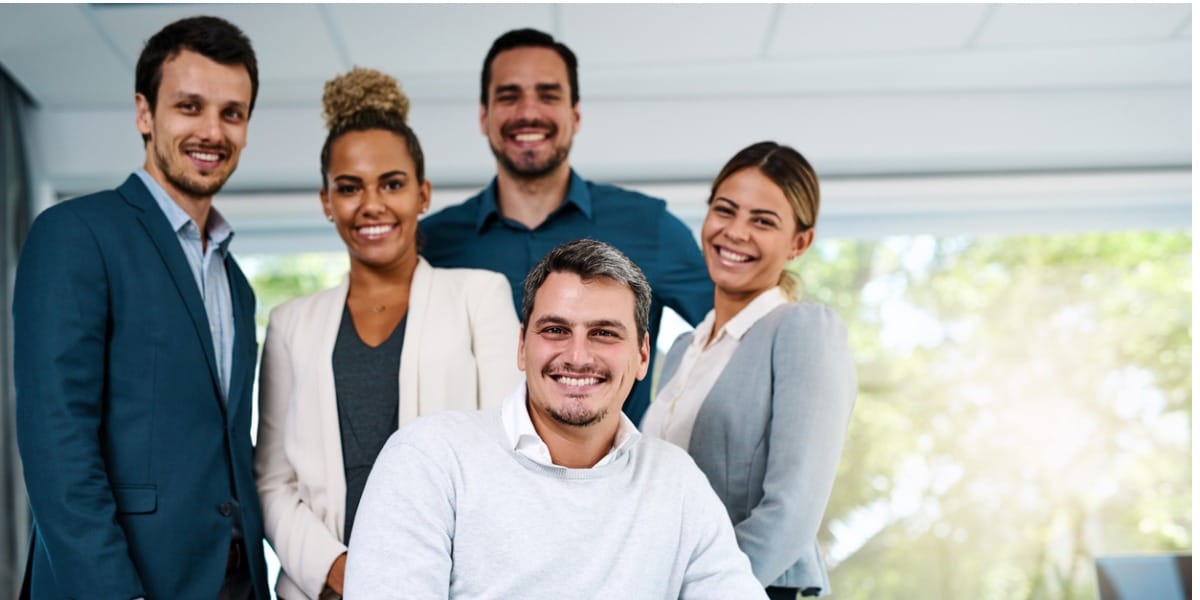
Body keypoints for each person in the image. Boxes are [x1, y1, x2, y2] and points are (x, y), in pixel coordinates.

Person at [342, 239, 766, 599]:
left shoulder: (676, 481)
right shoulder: (429, 458)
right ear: (521, 347)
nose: (578, 356)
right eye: (555, 330)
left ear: (642, 355)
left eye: (604, 333)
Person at [13, 16, 268, 599]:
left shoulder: (236, 283)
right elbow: (58, 443)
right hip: (125, 583)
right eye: (189, 107)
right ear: (145, 114)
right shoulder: (76, 233)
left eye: (232, 113)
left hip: (236, 582)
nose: (212, 131)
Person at [254, 67, 523, 600]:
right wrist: (337, 571)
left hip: (448, 584)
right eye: (349, 188)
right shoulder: (290, 324)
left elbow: (509, 454)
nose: (371, 204)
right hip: (320, 590)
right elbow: (272, 481)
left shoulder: (479, 296)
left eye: (392, 184)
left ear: (423, 194)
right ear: (326, 201)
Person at [419, 27, 713, 424]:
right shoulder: (433, 243)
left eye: (548, 95)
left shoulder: (648, 225)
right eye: (509, 96)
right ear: (484, 117)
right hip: (470, 461)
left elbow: (732, 336)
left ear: (575, 115)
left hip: (613, 463)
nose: (528, 112)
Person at [641, 141, 857, 599]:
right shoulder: (682, 349)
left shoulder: (803, 330)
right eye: (725, 210)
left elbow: (792, 513)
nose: (735, 232)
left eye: (763, 221)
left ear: (799, 243)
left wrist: (703, 591)